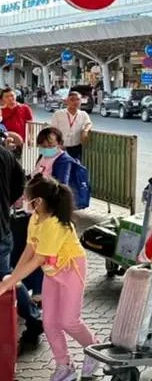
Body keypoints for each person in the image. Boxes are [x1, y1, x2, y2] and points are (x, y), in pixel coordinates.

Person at [0, 174, 99, 380]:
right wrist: (11, 278)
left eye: (28, 199)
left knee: (69, 321)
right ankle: (65, 366)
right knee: (50, 322)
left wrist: (9, 282)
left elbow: (37, 259)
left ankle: (94, 351)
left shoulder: (55, 224)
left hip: (71, 270)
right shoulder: (36, 218)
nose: (24, 202)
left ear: (39, 201)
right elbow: (29, 250)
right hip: (52, 272)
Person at [0, 143, 43, 355]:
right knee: (8, 278)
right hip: (2, 228)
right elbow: (20, 185)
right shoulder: (6, 155)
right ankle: (34, 321)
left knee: (8, 279)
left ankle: (34, 321)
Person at [49, 91, 92, 162]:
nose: (75, 102)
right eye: (72, 100)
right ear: (66, 101)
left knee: (75, 169)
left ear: (81, 101)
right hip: (60, 148)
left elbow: (89, 123)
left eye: (78, 99)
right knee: (61, 171)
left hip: (76, 148)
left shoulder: (83, 114)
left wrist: (85, 131)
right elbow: (53, 131)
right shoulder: (58, 114)